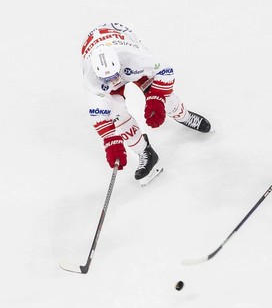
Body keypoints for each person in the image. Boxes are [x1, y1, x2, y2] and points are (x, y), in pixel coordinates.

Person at [81, 22, 211, 186]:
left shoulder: (134, 57)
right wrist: (111, 141)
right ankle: (145, 152)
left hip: (123, 45)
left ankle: (184, 116)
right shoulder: (92, 80)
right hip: (98, 47)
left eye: (114, 75)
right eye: (107, 79)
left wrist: (156, 98)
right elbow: (99, 115)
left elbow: (165, 70)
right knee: (117, 115)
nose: (114, 81)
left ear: (119, 64)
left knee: (163, 99)